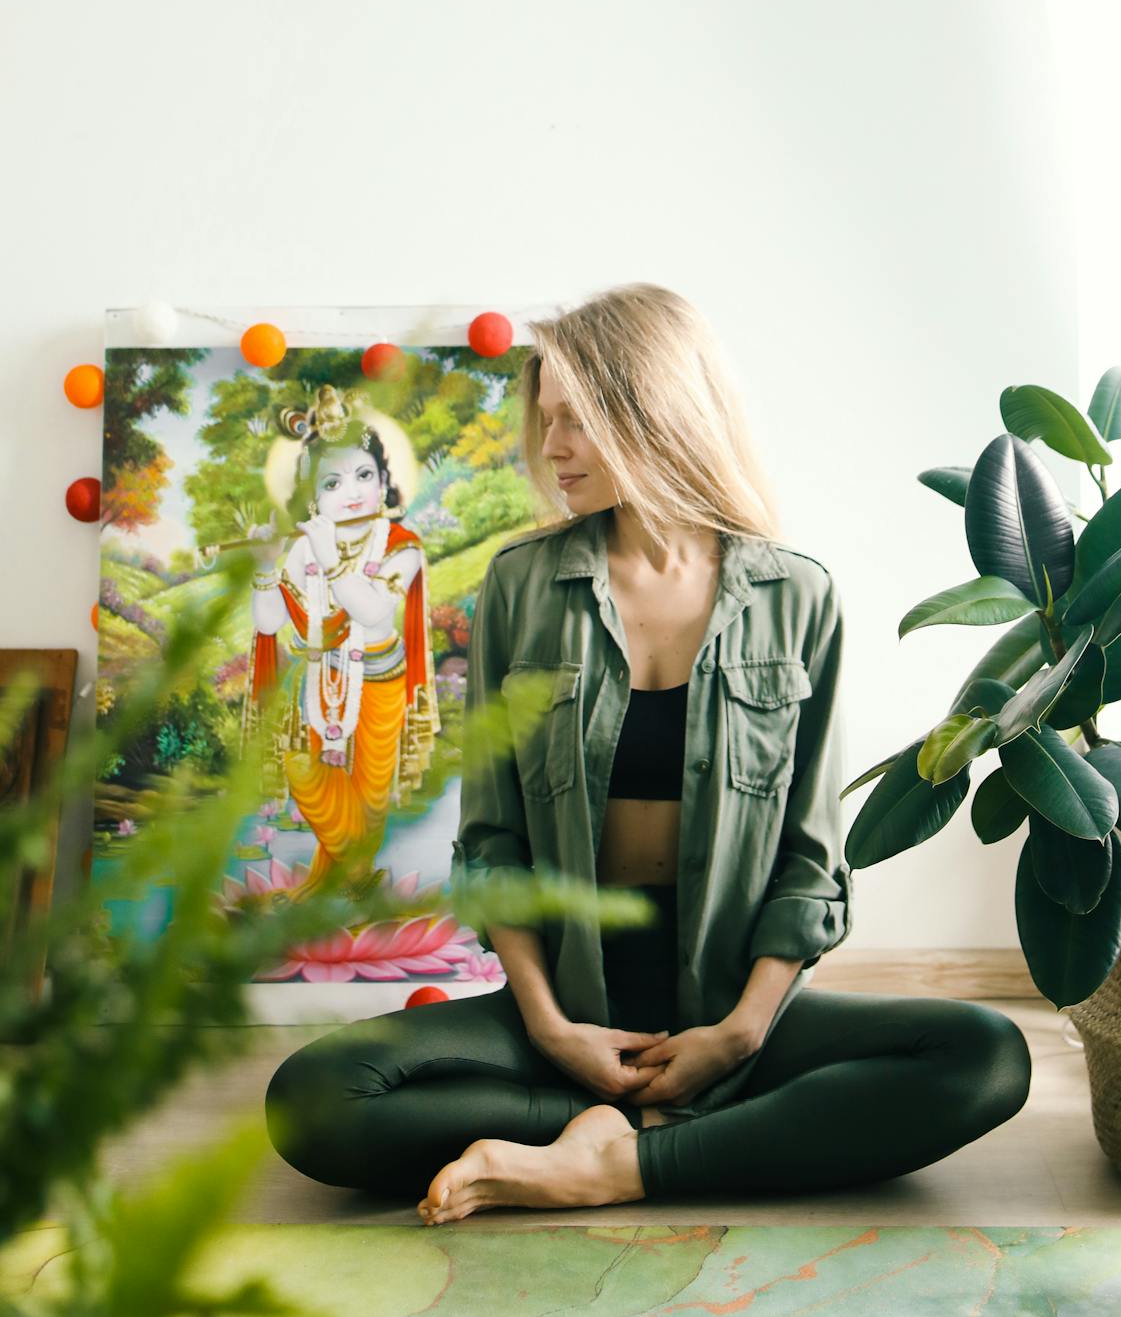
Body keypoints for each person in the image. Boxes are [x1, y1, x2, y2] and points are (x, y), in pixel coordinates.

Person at [265, 284, 1032, 1219]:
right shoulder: (523, 586)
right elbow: (494, 840)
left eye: (577, 421)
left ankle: (607, 1160)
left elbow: (809, 853)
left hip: (730, 1000)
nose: (549, 449)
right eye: (544, 421)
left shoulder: (796, 595)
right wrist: (550, 1028)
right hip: (572, 998)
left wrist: (742, 1033)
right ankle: (667, 1130)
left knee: (986, 1057)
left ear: (655, 413)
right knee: (312, 1101)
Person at [241, 385, 439, 893]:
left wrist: (330, 559)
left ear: (384, 482)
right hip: (321, 684)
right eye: (334, 482)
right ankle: (352, 878)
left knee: (370, 800)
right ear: (313, 498)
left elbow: (372, 609)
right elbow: (269, 625)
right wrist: (266, 571)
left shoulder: (402, 546)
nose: (353, 491)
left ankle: (339, 883)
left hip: (381, 681)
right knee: (311, 776)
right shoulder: (303, 548)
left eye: (364, 475)